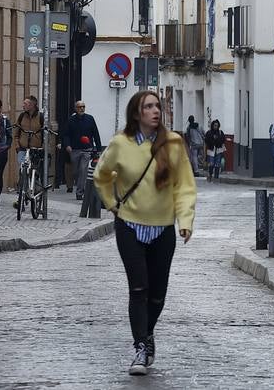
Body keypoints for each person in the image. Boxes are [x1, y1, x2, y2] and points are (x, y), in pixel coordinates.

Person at [95, 90, 197, 376]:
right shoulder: (121, 143)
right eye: (148, 107)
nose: (155, 111)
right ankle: (140, 346)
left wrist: (185, 219)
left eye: (157, 106)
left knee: (158, 295)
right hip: (129, 225)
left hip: (163, 228)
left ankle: (148, 333)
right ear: (136, 114)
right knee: (138, 288)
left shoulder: (174, 143)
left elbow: (185, 186)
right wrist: (111, 204)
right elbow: (101, 176)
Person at [64, 99, 103, 201]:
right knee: (76, 172)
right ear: (75, 108)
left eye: (83, 107)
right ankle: (80, 186)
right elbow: (66, 134)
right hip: (75, 149)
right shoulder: (71, 120)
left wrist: (98, 148)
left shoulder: (90, 119)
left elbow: (96, 134)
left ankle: (79, 192)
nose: (81, 109)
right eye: (79, 107)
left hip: (87, 149)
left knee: (83, 170)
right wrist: (67, 145)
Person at [12, 95, 45, 207]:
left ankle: (35, 191)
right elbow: (16, 133)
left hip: (35, 149)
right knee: (22, 171)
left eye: (25, 104)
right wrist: (17, 146)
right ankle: (21, 196)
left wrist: (43, 147)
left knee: (34, 173)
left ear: (32, 105)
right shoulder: (22, 116)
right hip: (22, 148)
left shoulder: (40, 117)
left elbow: (45, 134)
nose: (23, 105)